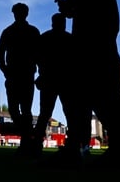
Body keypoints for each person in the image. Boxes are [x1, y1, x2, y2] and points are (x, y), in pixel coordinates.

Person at [51, 0, 120, 168]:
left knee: (90, 88)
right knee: (92, 88)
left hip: (95, 33)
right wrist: (70, 5)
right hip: (97, 31)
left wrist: (70, 7)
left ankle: (85, 146)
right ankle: (93, 145)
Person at [0, 2, 40, 157]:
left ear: (24, 14)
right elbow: (0, 52)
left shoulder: (32, 31)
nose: (18, 15)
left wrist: (39, 71)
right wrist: (4, 69)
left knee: (24, 110)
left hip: (25, 74)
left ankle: (26, 141)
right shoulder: (10, 31)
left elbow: (39, 54)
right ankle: (28, 138)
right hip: (15, 74)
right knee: (15, 110)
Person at [32, 13, 75, 157]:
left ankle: (37, 144)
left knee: (45, 113)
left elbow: (37, 58)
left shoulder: (45, 37)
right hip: (64, 80)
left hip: (52, 80)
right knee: (68, 113)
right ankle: (72, 144)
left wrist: (42, 74)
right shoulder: (69, 39)